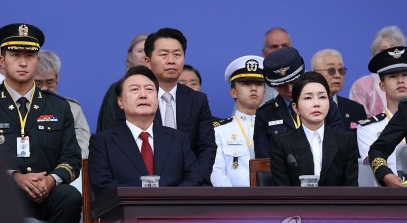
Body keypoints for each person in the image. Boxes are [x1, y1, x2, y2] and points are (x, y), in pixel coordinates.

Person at [0, 23, 81, 223]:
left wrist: (51, 180)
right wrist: (15, 177)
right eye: (15, 55)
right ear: (2, 60)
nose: (23, 62)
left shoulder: (58, 106)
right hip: (2, 193)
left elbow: (71, 157)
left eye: (30, 56)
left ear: (37, 60)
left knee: (69, 196)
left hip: (47, 194)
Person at [89, 66, 200, 198]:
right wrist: (144, 197)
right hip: (125, 214)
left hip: (174, 212)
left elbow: (194, 179)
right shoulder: (103, 141)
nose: (143, 95)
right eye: (135, 90)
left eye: (149, 89)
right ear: (120, 102)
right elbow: (102, 185)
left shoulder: (178, 138)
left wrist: (168, 199)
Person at [145, 27, 217, 186]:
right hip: (147, 184)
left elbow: (207, 147)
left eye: (177, 54)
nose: (171, 60)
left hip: (192, 185)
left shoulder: (197, 100)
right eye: (164, 55)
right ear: (148, 62)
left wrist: (194, 182)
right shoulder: (138, 98)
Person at [270, 72, 359, 186]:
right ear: (295, 108)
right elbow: (282, 192)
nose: (316, 104)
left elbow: (351, 190)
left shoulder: (346, 141)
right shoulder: (281, 143)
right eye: (308, 98)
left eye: (322, 97)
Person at [254, 47, 344, 158]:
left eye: (293, 82)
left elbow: (339, 148)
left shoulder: (326, 104)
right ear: (273, 85)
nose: (289, 89)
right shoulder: (265, 114)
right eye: (282, 85)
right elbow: (263, 161)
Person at [211, 55, 265, 187]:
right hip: (233, 202)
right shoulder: (219, 130)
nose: (253, 88)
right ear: (233, 92)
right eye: (246, 84)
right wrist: (234, 201)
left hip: (272, 202)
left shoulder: (276, 127)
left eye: (259, 84)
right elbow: (216, 172)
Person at [358, 46, 407, 186]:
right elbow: (376, 152)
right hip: (389, 195)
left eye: (405, 75)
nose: (400, 81)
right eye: (393, 76)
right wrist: (387, 176)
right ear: (382, 85)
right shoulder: (368, 127)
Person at [34, 50, 90, 159]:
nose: (44, 88)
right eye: (38, 83)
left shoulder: (73, 109)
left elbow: (83, 146)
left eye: (50, 82)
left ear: (57, 78)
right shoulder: (19, 107)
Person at [350, 26, 406, 118]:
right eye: (383, 50)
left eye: (393, 49)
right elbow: (357, 119)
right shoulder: (362, 85)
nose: (388, 54)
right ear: (374, 54)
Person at [97, 34, 148, 132]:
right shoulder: (116, 90)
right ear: (130, 57)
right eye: (140, 51)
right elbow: (107, 127)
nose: (145, 55)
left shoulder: (165, 89)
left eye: (148, 51)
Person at [311, 49, 367, 132]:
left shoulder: (356, 109)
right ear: (315, 74)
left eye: (341, 70)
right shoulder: (305, 107)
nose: (338, 75)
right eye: (331, 70)